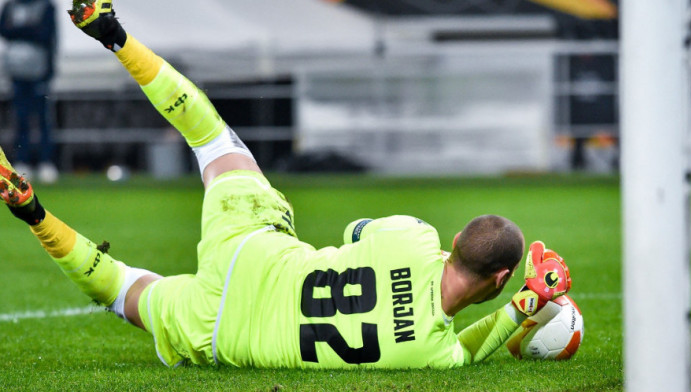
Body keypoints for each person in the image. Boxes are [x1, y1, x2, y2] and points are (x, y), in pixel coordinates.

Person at [0, 0, 571, 368]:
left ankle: (117, 36)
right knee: (124, 291)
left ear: (456, 240)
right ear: (499, 280)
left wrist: (422, 262)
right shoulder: (430, 352)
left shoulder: (415, 239)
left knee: (210, 137)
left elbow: (357, 231)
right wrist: (526, 304)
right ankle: (33, 214)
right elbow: (467, 352)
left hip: (250, 245)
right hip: (221, 330)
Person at [0, 0, 58, 183]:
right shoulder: (10, 6)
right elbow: (4, 30)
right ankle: (22, 161)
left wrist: (20, 30)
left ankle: (46, 162)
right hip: (16, 72)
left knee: (42, 119)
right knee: (21, 118)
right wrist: (30, 29)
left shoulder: (46, 6)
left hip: (39, 71)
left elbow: (46, 35)